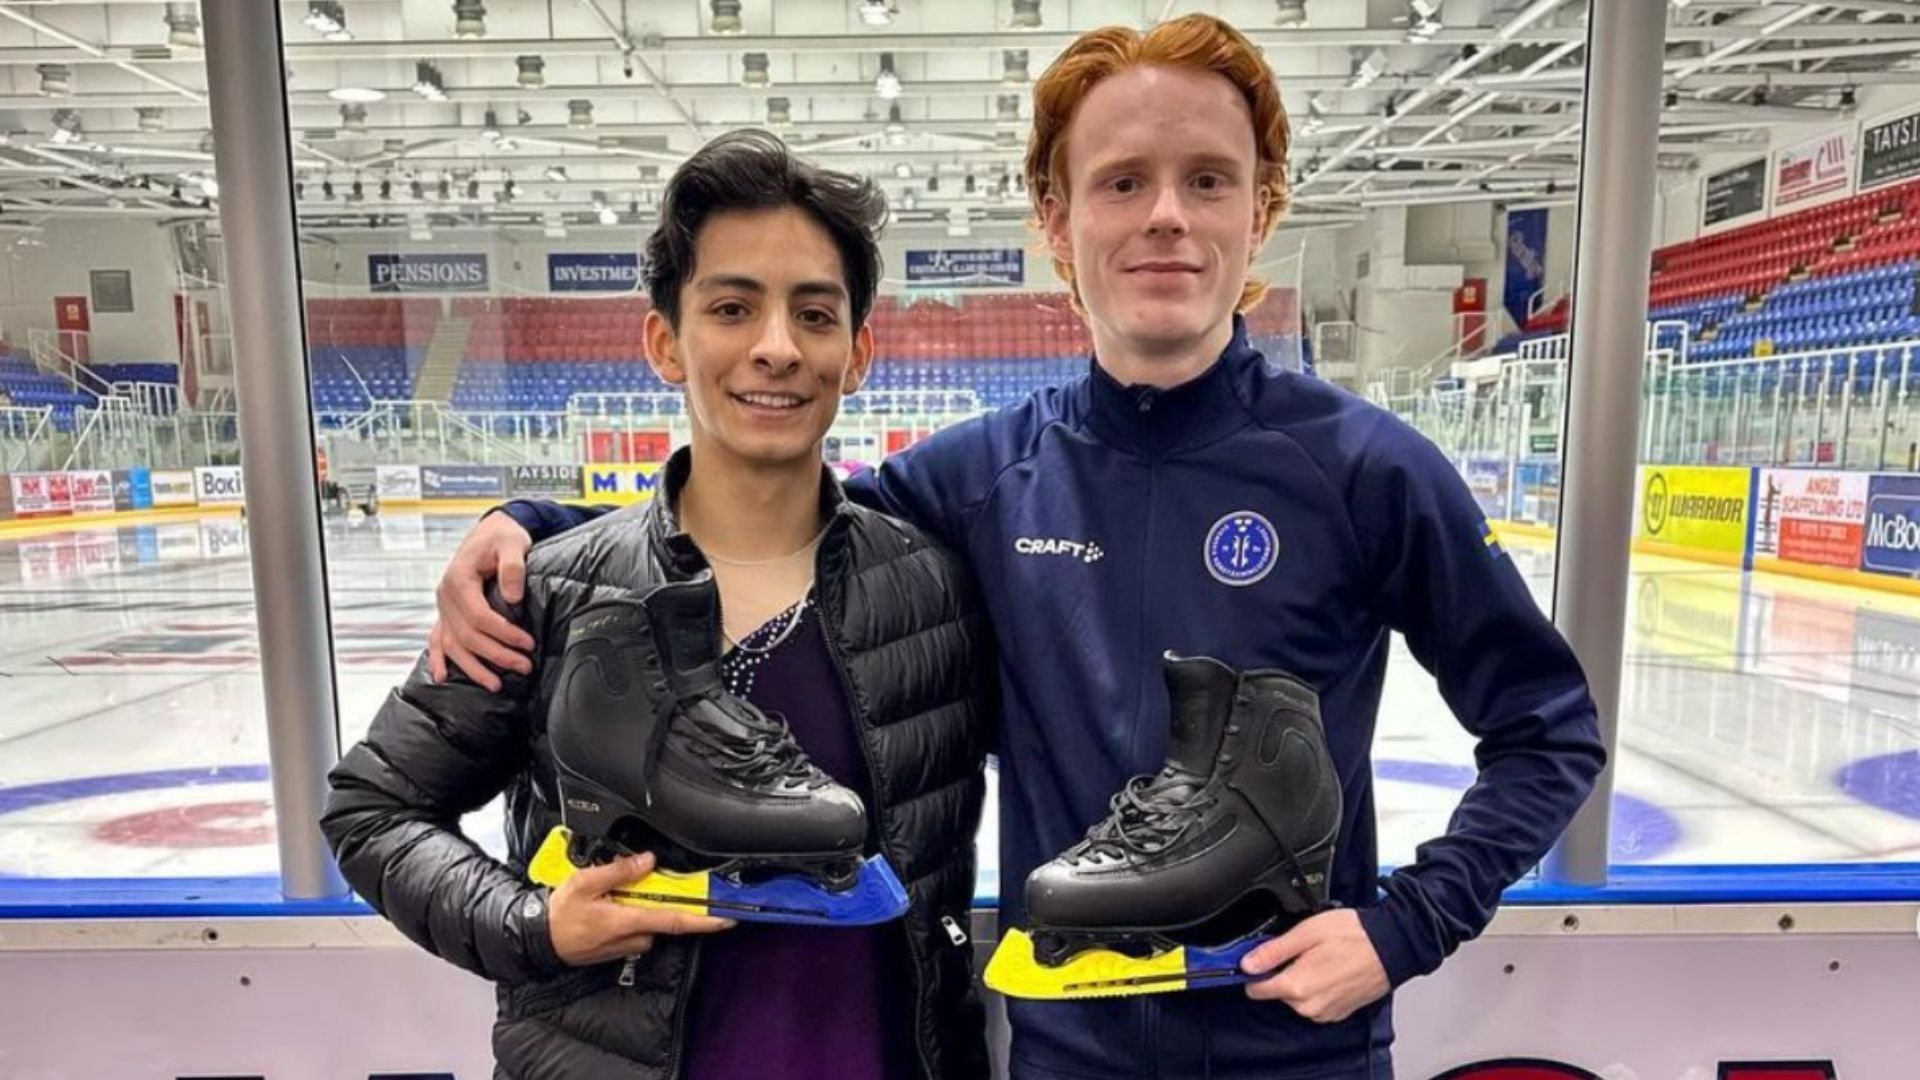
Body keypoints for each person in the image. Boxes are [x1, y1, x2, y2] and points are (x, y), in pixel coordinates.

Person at [428, 15, 1607, 1080]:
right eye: (1121, 182)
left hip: (1296, 1051)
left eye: (1208, 180)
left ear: (1264, 208)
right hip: (1062, 1052)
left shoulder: (1368, 472)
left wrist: (1403, 930)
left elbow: (1547, 730)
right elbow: (761, 510)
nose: (1165, 217)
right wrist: (532, 525)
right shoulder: (982, 478)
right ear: (1056, 220)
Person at [322, 131, 995, 1080]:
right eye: (731, 307)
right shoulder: (546, 591)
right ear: (665, 343)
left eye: (814, 314)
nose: (775, 348)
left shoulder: (935, 592)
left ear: (858, 353)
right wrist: (532, 925)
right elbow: (373, 811)